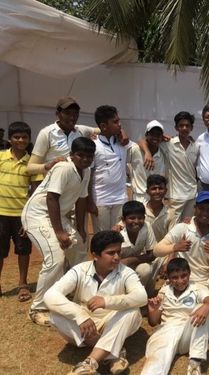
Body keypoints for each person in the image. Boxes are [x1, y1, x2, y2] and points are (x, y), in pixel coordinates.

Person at [44, 230, 147, 375]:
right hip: (85, 327)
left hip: (112, 323)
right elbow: (50, 295)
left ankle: (89, 363)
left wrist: (107, 301)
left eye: (118, 252)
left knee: (132, 312)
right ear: (95, 255)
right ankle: (113, 354)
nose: (117, 257)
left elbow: (141, 297)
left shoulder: (125, 272)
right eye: (111, 253)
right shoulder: (80, 270)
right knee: (54, 314)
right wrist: (79, 315)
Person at [22, 137, 95, 326]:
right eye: (81, 155)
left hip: (57, 215)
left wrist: (80, 227)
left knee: (79, 248)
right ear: (72, 155)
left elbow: (81, 201)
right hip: (38, 215)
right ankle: (37, 308)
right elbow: (52, 199)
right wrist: (60, 232)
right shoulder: (64, 168)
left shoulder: (85, 171)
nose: (85, 159)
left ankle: (74, 294)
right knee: (56, 258)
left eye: (89, 156)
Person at [141, 258, 209, 375]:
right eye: (175, 277)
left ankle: (195, 362)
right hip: (166, 333)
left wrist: (206, 307)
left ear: (189, 273)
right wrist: (152, 310)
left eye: (183, 276)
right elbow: (153, 322)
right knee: (154, 364)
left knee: (202, 307)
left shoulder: (197, 287)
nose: (180, 281)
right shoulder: (164, 291)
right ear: (168, 278)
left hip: (188, 336)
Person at [0, 122, 35, 302]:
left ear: (29, 139)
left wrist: (28, 217)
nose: (20, 140)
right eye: (16, 137)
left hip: (21, 214)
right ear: (10, 139)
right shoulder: (0, 157)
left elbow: (35, 191)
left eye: (24, 137)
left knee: (23, 250)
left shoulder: (31, 162)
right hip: (1, 213)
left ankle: (23, 284)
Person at [154, 191, 209, 287]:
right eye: (201, 208)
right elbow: (156, 251)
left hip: (204, 282)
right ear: (195, 208)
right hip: (179, 279)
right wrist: (175, 247)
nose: (205, 213)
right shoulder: (182, 228)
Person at [26, 97, 99, 181]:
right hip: (53, 186)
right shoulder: (46, 133)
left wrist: (96, 136)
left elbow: (101, 130)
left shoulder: (81, 130)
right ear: (57, 113)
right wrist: (48, 165)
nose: (72, 117)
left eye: (75, 114)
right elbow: (30, 168)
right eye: (67, 113)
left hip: (75, 187)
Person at [89, 105, 134, 232]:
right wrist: (90, 201)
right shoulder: (93, 145)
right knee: (102, 238)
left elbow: (143, 142)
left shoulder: (123, 143)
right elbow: (89, 176)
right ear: (103, 126)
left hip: (120, 198)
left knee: (119, 237)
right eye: (115, 122)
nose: (120, 125)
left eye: (119, 121)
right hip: (100, 200)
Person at [164, 112, 199, 227]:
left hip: (192, 194)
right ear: (176, 127)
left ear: (191, 127)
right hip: (175, 196)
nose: (184, 128)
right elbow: (145, 139)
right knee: (173, 229)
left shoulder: (195, 146)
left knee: (188, 227)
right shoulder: (168, 144)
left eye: (187, 125)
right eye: (181, 125)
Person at [119, 200, 161, 296]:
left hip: (134, 263)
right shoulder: (119, 234)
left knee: (146, 268)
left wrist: (129, 260)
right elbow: (114, 262)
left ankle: (145, 295)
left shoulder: (146, 226)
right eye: (132, 218)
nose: (136, 221)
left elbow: (152, 255)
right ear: (123, 220)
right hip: (119, 269)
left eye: (140, 218)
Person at [129, 120, 168, 203]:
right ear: (146, 135)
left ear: (162, 137)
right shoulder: (136, 150)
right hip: (140, 197)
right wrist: (147, 152)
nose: (155, 137)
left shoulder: (163, 150)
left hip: (157, 197)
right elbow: (140, 140)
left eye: (158, 134)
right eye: (152, 134)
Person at [145, 174, 173, 242]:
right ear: (147, 191)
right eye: (153, 189)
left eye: (160, 188)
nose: (157, 192)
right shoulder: (139, 211)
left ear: (166, 191)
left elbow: (172, 238)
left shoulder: (171, 213)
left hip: (163, 250)